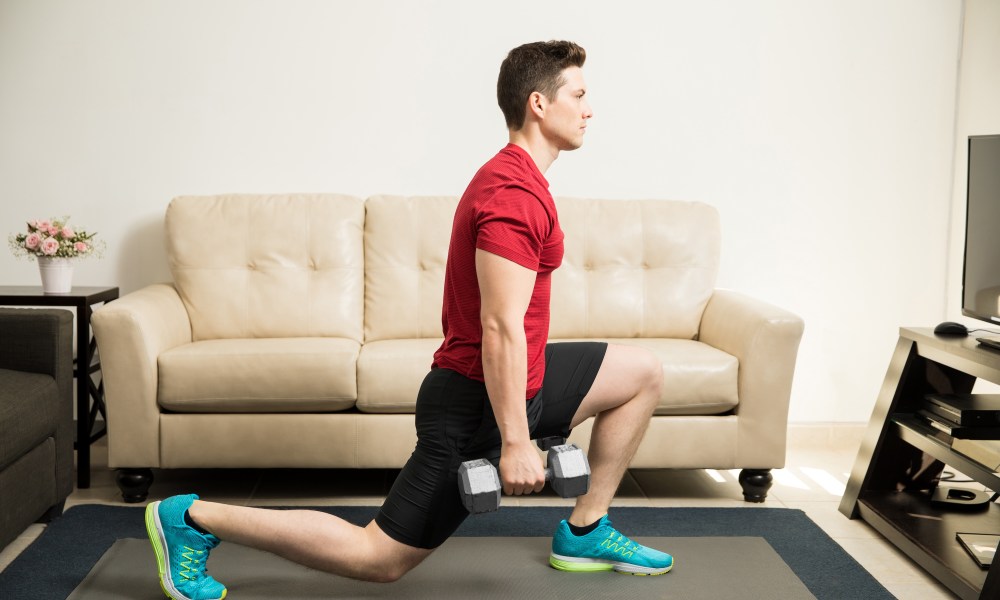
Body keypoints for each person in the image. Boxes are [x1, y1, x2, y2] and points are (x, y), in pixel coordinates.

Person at [145, 40, 672, 600]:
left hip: (526, 380)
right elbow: (499, 326)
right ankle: (191, 517)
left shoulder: (523, 179)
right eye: (580, 95)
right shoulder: (513, 194)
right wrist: (517, 440)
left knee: (640, 372)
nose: (590, 109)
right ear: (539, 104)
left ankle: (585, 530)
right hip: (474, 405)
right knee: (378, 557)